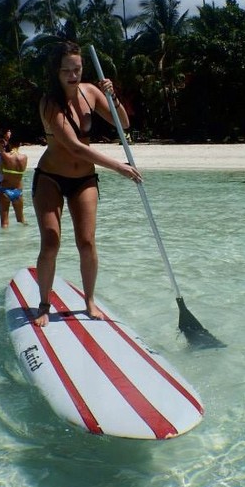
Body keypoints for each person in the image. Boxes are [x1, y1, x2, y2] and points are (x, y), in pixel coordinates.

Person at [32, 40, 142, 325]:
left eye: (77, 68)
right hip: (50, 178)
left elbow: (124, 124)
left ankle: (89, 300)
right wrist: (120, 167)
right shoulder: (49, 103)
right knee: (51, 241)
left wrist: (112, 96)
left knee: (87, 241)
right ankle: (44, 304)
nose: (73, 75)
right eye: (67, 70)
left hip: (84, 179)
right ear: (56, 72)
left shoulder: (91, 92)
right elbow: (74, 147)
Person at [0, 136, 28, 228]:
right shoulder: (24, 157)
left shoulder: (5, 156)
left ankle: (4, 241)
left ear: (9, 144)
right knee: (21, 220)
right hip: (18, 191)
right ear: (20, 144)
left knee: (4, 223)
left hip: (5, 190)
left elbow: (0, 170)